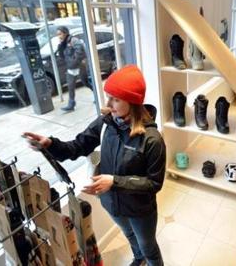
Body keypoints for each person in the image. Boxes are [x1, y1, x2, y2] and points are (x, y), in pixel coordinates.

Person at [23, 65, 165, 266]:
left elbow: (154, 183)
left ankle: (148, 259)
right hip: (111, 202)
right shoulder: (106, 124)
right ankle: (139, 258)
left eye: (115, 98)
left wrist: (114, 181)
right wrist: (50, 144)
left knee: (148, 246)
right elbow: (77, 146)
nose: (108, 103)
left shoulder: (152, 140)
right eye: (109, 96)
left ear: (132, 101)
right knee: (130, 236)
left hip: (140, 208)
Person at [56, 26, 92, 111]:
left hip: (78, 66)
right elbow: (62, 56)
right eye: (57, 34)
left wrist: (74, 62)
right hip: (70, 68)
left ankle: (96, 92)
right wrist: (60, 46)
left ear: (65, 33)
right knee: (70, 86)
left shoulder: (73, 40)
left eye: (60, 34)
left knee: (85, 82)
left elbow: (80, 52)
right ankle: (71, 104)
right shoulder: (63, 43)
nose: (59, 36)